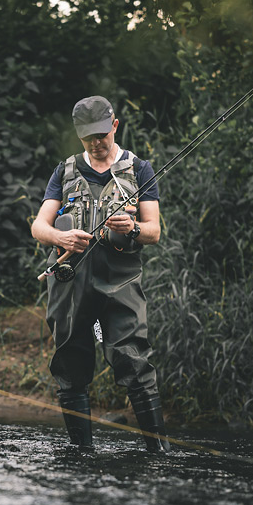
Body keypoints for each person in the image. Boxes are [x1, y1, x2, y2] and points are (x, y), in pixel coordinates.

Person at [30, 95, 169, 452]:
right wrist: (60, 237)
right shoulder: (64, 170)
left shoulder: (140, 169)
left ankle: (159, 451)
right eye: (88, 136)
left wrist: (133, 226)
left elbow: (154, 231)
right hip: (70, 281)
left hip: (120, 282)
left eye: (102, 134)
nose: (97, 142)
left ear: (115, 126)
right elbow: (38, 227)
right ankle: (81, 452)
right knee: (70, 365)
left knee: (134, 361)